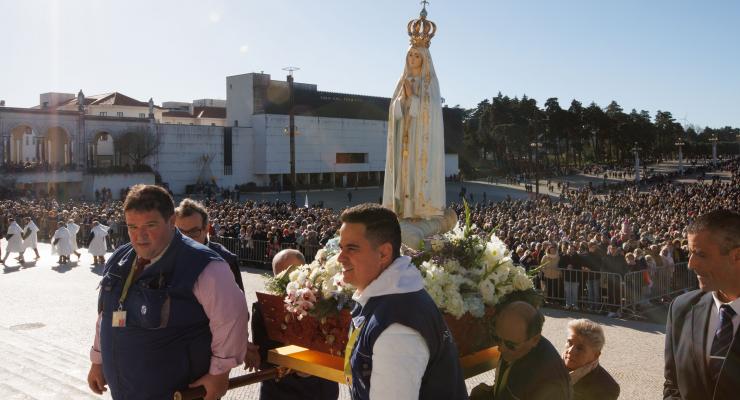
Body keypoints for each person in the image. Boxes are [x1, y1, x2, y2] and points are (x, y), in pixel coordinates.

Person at [86, 184, 248, 400]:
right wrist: (98, 361)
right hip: (124, 391)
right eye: (132, 227)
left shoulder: (205, 265)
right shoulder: (119, 259)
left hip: (178, 393)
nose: (139, 236)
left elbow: (231, 319)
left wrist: (220, 373)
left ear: (171, 222)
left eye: (150, 225)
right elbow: (106, 315)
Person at [339, 203, 466, 399]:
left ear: (384, 253)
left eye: (352, 249)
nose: (340, 257)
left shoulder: (397, 328)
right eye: (341, 248)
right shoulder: (392, 300)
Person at [664, 209, 740, 400]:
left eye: (701, 254)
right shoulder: (681, 308)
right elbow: (673, 384)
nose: (691, 264)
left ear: (737, 256)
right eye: (690, 253)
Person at [248, 248, 339, 400]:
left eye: (291, 274)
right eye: (280, 277)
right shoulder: (262, 308)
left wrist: (313, 365)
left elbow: (337, 348)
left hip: (320, 391)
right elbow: (262, 356)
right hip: (278, 392)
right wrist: (291, 364)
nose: (286, 283)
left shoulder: (328, 305)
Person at [382, 12, 445, 220]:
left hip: (420, 139)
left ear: (425, 58)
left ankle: (419, 209)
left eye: (417, 55)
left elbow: (432, 109)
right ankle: (401, 208)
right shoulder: (402, 81)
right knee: (403, 172)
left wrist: (414, 98)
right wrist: (402, 100)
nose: (413, 58)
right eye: (410, 54)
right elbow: (394, 111)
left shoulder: (430, 83)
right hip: (404, 137)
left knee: (417, 172)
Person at [469, 301, 571, 400]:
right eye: (497, 338)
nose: (501, 348)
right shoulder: (514, 343)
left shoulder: (548, 382)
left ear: (535, 339)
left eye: (510, 344)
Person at [174, 198, 245, 291]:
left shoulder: (225, 260)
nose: (187, 239)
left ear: (206, 228)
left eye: (194, 231)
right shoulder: (168, 257)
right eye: (180, 232)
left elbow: (237, 302)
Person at [563, 319, 620, 400]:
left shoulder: (607, 388)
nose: (570, 351)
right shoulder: (550, 366)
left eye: (580, 348)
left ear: (596, 355)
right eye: (570, 342)